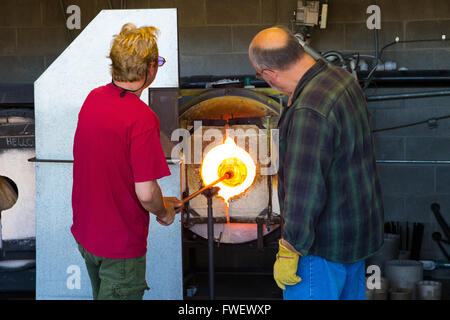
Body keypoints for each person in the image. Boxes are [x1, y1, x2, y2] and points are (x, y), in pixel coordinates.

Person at [248, 26, 384, 300]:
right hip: (355, 238)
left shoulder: (309, 110)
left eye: (260, 75)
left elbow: (304, 190)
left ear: (270, 74)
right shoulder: (341, 78)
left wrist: (290, 249)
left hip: (319, 251)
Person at [71, 23, 183, 300]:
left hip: (87, 236)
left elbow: (113, 170)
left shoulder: (93, 99)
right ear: (150, 69)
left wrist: (161, 200)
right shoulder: (141, 117)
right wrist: (163, 212)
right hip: (119, 248)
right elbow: (145, 193)